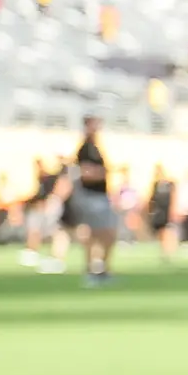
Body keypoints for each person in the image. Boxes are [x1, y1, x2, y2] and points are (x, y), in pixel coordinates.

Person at [67, 118, 120, 286]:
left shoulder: (96, 147)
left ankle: (101, 268)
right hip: (91, 196)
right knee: (95, 234)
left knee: (107, 234)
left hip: (100, 195)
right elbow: (85, 172)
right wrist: (103, 172)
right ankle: (92, 270)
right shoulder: (86, 149)